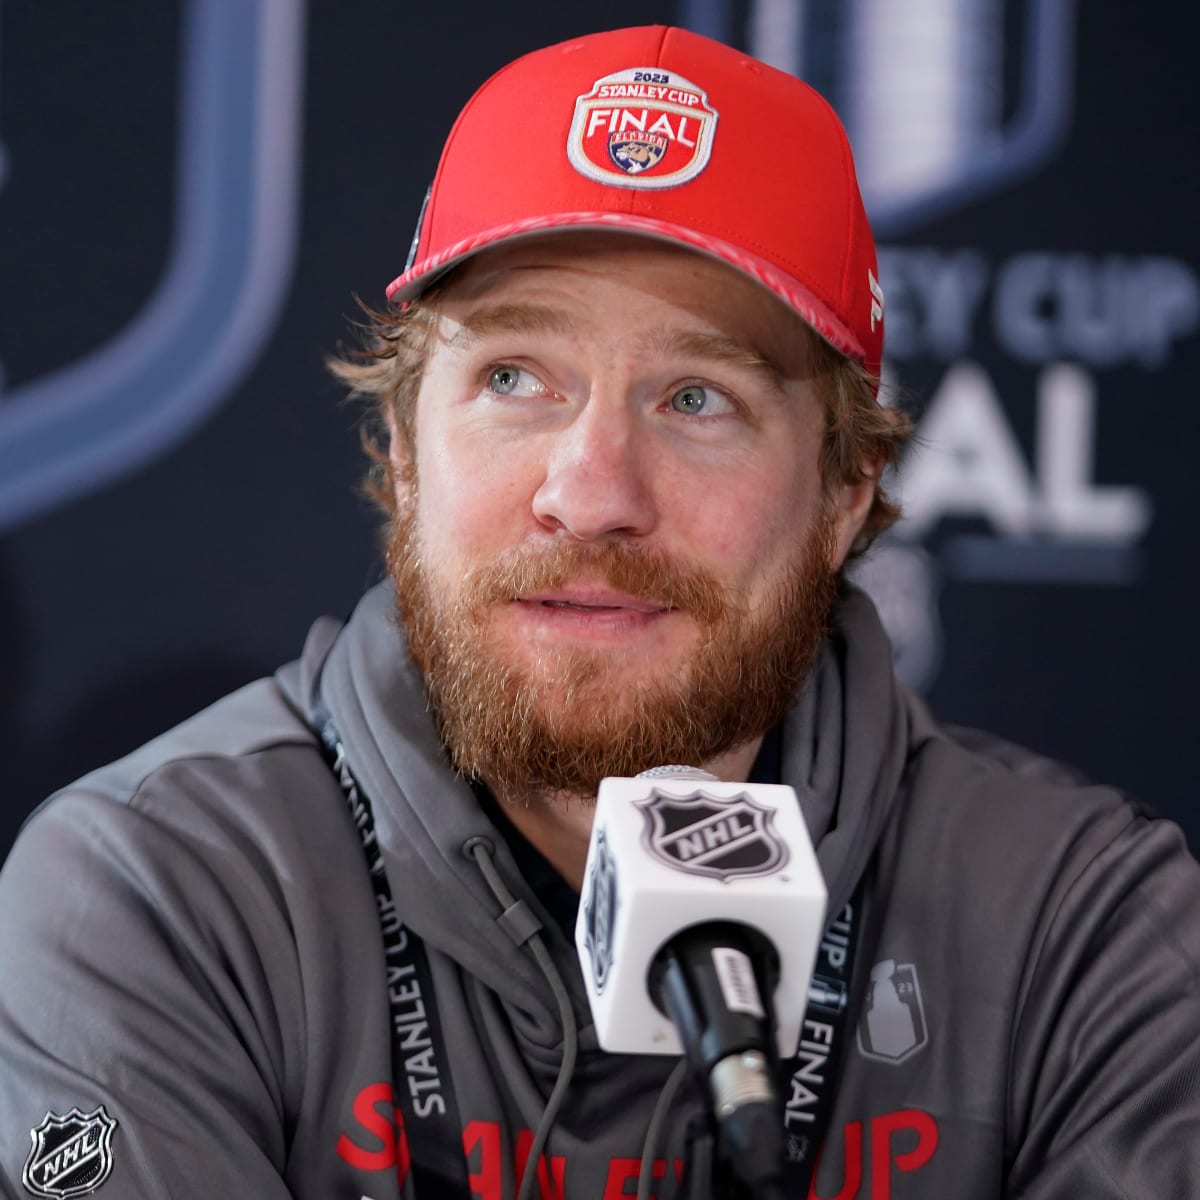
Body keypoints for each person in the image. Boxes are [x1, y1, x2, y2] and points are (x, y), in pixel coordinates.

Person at [1, 24, 1197, 1200]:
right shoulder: (162, 890)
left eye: (696, 397)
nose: (591, 493)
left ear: (845, 492)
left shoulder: (1079, 924)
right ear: (407, 452)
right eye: (514, 378)